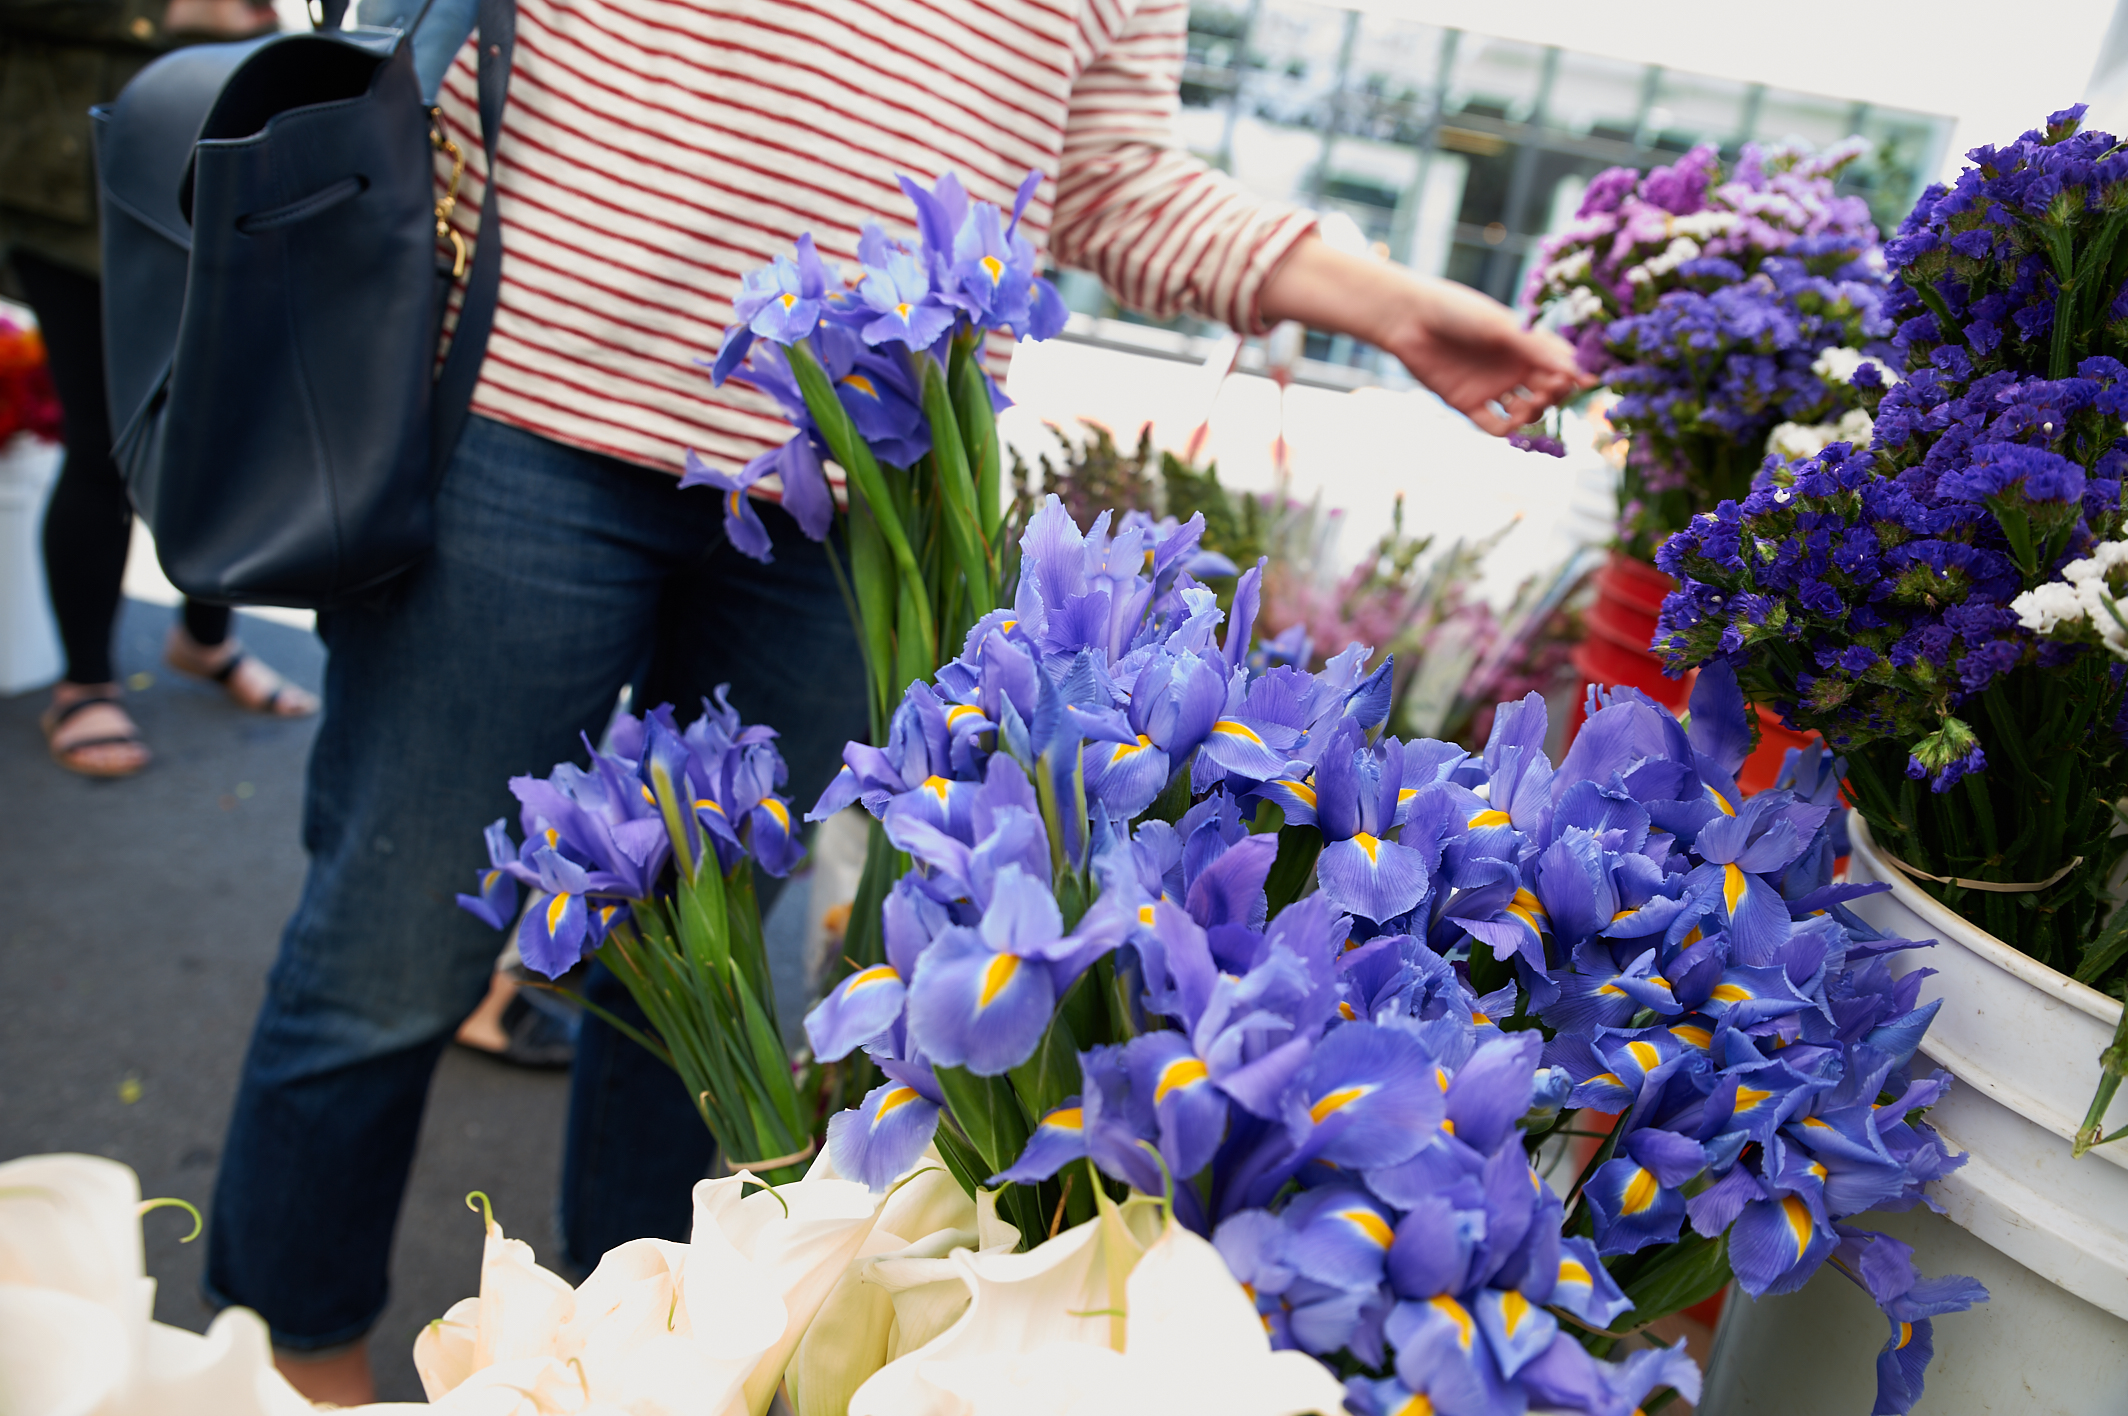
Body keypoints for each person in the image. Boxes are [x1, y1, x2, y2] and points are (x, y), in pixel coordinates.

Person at [195, 0, 1588, 1402]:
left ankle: (635, 1377)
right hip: (531, 398)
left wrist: (1393, 305)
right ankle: (287, 1370)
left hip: (865, 495)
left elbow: (1104, 180)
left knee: (717, 984)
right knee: (390, 942)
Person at [1, 0, 320, 781]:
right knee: (105, 439)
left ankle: (205, 641)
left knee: (227, 428)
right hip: (85, 192)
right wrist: (161, 10)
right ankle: (84, 683)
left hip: (221, 171)